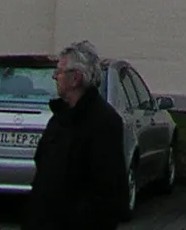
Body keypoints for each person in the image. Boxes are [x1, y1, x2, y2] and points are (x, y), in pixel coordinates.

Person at [25, 41, 131, 230]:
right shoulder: (59, 118)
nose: (54, 76)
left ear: (75, 79)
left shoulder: (104, 122)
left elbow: (108, 193)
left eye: (59, 72)